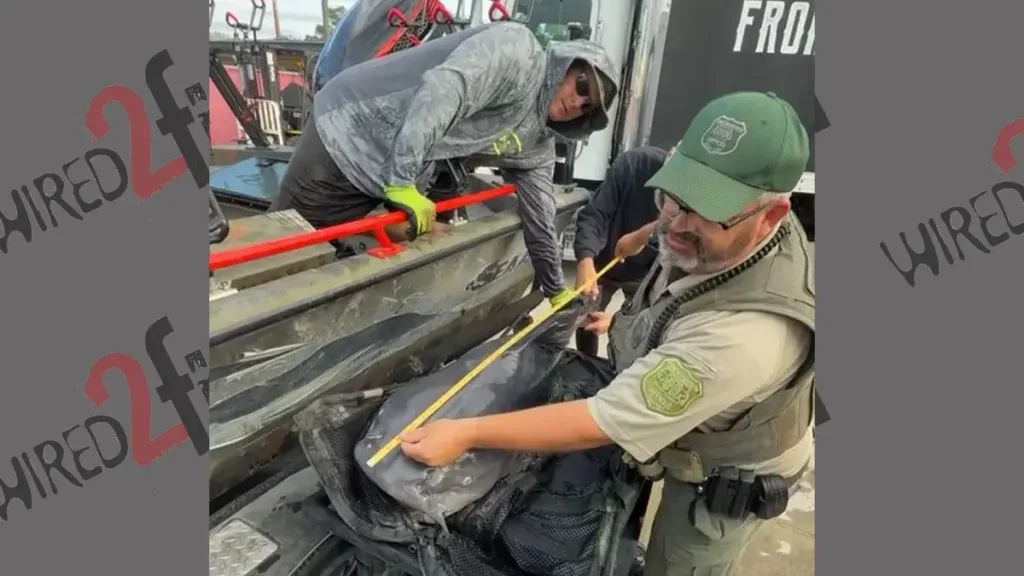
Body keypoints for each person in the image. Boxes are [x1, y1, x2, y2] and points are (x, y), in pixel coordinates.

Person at [398, 91, 815, 576]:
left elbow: (601, 421)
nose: (677, 223)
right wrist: (627, 305)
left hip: (727, 473)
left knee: (679, 563)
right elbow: (680, 283)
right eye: (673, 197)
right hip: (696, 408)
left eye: (703, 210)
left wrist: (467, 432)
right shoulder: (713, 233)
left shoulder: (744, 338)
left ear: (771, 216)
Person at [269, 20, 619, 308]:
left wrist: (555, 289)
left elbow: (541, 216)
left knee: (334, 253)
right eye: (583, 83)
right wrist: (402, 180)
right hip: (349, 130)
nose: (579, 101)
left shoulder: (537, 143)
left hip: (388, 173)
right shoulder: (518, 51)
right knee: (284, 251)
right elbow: (444, 89)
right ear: (567, 64)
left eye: (590, 107)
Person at [571, 146, 666, 356]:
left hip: (646, 275)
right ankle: (587, 362)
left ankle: (620, 370)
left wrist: (618, 322)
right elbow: (594, 215)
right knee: (586, 319)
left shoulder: (691, 210)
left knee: (634, 337)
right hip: (603, 263)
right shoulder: (633, 164)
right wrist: (585, 259)